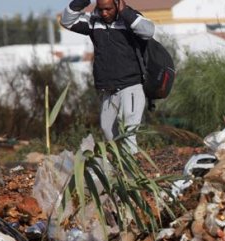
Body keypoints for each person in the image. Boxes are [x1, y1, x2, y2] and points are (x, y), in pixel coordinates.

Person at [60, 0, 155, 153]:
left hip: (131, 85)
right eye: (101, 8)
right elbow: (66, 21)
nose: (104, 13)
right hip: (108, 88)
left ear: (118, 4)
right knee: (108, 130)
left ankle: (131, 174)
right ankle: (120, 168)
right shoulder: (93, 21)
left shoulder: (130, 18)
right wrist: (81, 2)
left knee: (128, 130)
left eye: (109, 9)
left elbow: (148, 31)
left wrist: (125, 12)